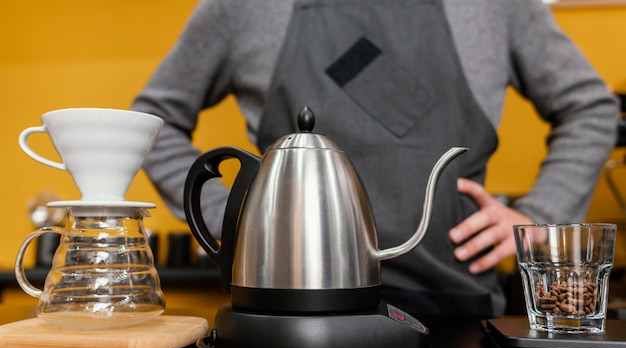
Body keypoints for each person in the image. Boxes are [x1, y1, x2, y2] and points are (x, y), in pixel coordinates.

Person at [131, 0, 619, 317]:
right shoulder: (244, 8)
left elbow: (590, 107)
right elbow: (150, 122)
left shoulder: (497, 7)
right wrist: (237, 218)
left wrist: (539, 217)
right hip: (289, 311)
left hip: (456, 307)